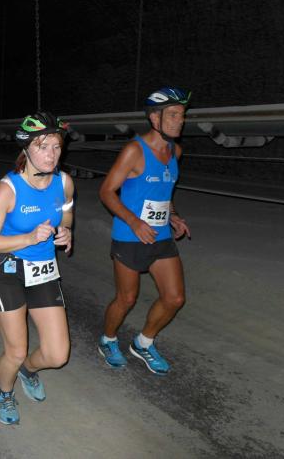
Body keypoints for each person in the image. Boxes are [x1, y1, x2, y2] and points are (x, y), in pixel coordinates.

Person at [0, 111, 75, 425]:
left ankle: (28, 371)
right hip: (8, 271)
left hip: (44, 269)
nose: (51, 154)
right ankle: (4, 393)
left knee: (57, 355)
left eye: (56, 147)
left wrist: (66, 230)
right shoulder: (9, 189)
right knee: (16, 350)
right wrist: (29, 238)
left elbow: (67, 213)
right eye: (42, 146)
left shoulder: (64, 182)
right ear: (26, 149)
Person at [97, 87, 192, 375]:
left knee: (174, 298)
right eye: (173, 115)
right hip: (129, 235)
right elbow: (107, 192)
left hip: (160, 235)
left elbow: (165, 191)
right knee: (126, 298)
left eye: (182, 115)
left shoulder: (175, 151)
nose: (179, 121)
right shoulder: (134, 151)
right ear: (154, 118)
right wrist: (134, 222)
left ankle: (143, 343)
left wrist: (173, 215)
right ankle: (108, 340)